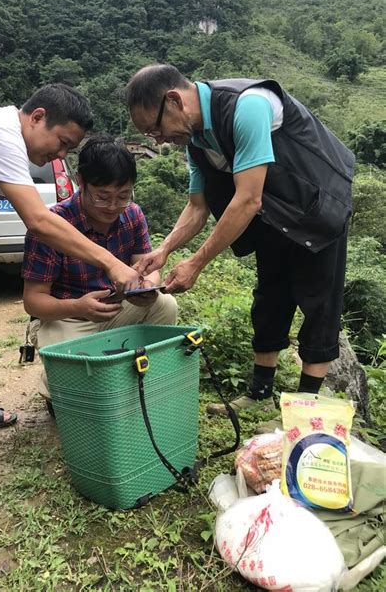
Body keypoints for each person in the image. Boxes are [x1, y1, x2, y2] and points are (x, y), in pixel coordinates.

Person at [0, 84, 139, 470]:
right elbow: (37, 220)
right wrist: (111, 264)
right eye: (62, 141)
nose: (61, 154)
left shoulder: (6, 142)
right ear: (37, 117)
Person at [125, 64, 355, 431]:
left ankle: (302, 408)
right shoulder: (196, 141)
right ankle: (259, 393)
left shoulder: (247, 106)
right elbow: (197, 206)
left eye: (154, 128)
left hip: (317, 207)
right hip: (274, 216)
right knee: (270, 298)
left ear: (174, 101)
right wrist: (165, 249)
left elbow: (247, 199)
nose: (158, 140)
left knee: (320, 305)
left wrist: (196, 263)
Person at [22, 135, 178, 413]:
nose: (112, 207)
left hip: (115, 310)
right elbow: (33, 302)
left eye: (123, 196)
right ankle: (61, 394)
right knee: (74, 391)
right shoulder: (53, 225)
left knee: (164, 305)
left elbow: (148, 269)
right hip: (65, 317)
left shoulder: (132, 215)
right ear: (81, 182)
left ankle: (143, 383)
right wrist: (78, 306)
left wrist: (147, 288)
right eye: (102, 197)